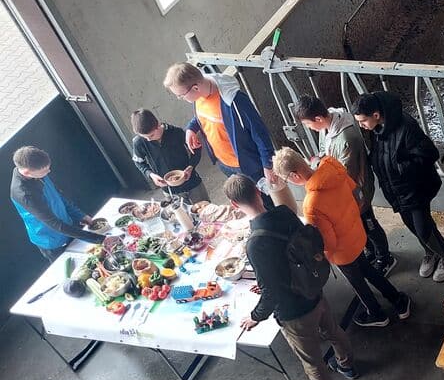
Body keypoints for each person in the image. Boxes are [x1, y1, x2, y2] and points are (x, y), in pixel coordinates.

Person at [228, 174, 355, 380]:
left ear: (234, 205)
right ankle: (346, 364)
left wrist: (256, 316)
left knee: (312, 361)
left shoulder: (255, 244)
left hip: (293, 311)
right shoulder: (285, 213)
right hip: (314, 290)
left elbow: (272, 291)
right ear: (257, 190)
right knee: (333, 331)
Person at [273, 148, 412, 329]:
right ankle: (398, 300)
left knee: (358, 284)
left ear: (294, 175)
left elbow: (328, 242)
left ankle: (376, 313)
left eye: (287, 180)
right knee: (369, 270)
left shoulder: (312, 204)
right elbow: (358, 196)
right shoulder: (333, 169)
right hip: (356, 234)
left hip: (342, 253)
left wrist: (319, 254)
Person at [353, 90, 444, 282]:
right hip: (396, 189)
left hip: (415, 188)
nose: (361, 126)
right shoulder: (376, 129)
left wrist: (399, 167)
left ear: (376, 115)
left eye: (363, 121)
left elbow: (429, 154)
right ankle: (431, 252)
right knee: (413, 225)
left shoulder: (407, 126)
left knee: (423, 228)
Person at [163, 63, 288, 212]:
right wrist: (191, 128)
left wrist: (268, 165)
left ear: (195, 88)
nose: (181, 98)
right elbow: (203, 115)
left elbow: (260, 133)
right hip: (225, 164)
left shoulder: (234, 101)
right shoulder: (199, 97)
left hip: (248, 165)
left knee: (266, 203)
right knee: (248, 205)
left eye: (181, 95)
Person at [292, 95, 395, 275]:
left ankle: (385, 257)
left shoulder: (346, 137)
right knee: (358, 223)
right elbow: (327, 155)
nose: (310, 129)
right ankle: (370, 251)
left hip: (357, 189)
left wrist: (320, 169)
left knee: (368, 222)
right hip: (345, 189)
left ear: (318, 119)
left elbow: (345, 171)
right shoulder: (329, 126)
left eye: (308, 125)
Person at [10, 145, 104, 262]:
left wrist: (80, 215)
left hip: (67, 227)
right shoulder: (24, 194)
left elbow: (58, 196)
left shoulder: (37, 171)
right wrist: (100, 239)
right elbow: (54, 224)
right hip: (52, 239)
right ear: (27, 172)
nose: (48, 172)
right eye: (44, 171)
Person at [130, 109, 209, 203]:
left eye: (151, 135)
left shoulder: (176, 132)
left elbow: (196, 149)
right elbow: (139, 162)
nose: (148, 140)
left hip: (192, 181)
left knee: (206, 208)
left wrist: (191, 166)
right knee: (183, 215)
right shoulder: (139, 142)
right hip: (169, 189)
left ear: (158, 125)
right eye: (144, 137)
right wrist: (151, 175)